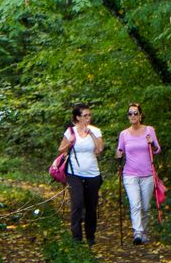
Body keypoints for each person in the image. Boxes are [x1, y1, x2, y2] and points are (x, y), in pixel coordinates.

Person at [57, 103, 104, 245]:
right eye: (85, 116)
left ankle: (90, 235)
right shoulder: (70, 132)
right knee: (77, 203)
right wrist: (69, 143)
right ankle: (76, 237)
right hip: (74, 173)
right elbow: (61, 150)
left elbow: (100, 149)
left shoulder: (95, 131)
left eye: (89, 115)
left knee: (91, 205)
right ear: (78, 117)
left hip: (92, 173)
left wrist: (92, 135)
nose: (88, 118)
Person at [115, 102, 161, 245]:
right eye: (130, 113)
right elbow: (120, 151)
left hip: (147, 174)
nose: (133, 116)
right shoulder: (124, 134)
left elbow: (157, 149)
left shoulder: (149, 130)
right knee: (135, 204)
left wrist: (151, 143)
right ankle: (137, 233)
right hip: (130, 174)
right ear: (128, 116)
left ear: (141, 115)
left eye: (136, 113)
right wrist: (118, 155)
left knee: (146, 207)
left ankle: (145, 231)